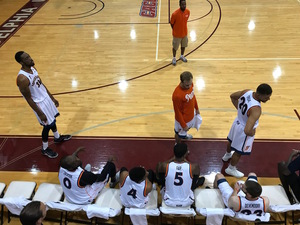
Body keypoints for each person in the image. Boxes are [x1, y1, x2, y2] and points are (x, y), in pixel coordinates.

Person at [15, 51, 71, 159]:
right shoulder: (22, 78)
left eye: (29, 56)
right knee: (47, 126)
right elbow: (28, 99)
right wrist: (40, 113)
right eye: (27, 58)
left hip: (46, 99)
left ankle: (57, 137)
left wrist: (52, 97)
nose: (30, 58)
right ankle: (44, 149)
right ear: (21, 62)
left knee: (52, 120)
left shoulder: (33, 69)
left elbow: (41, 84)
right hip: (39, 104)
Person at [222, 83, 272, 178]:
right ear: (260, 95)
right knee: (239, 151)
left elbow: (232, 96)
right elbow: (247, 130)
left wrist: (239, 110)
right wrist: (253, 132)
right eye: (267, 97)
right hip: (243, 129)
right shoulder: (256, 109)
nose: (268, 99)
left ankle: (227, 155)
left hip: (237, 122)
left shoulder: (247, 91)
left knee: (230, 141)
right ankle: (231, 169)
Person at [156, 143, 204, 207]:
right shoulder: (194, 167)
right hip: (187, 202)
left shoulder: (164, 166)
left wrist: (172, 159)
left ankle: (162, 184)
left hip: (169, 201)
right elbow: (195, 178)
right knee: (197, 179)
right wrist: (186, 161)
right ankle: (192, 188)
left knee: (163, 175)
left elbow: (159, 166)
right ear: (185, 154)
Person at [172, 71, 201, 144]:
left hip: (190, 116)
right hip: (183, 120)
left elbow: (193, 96)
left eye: (190, 84)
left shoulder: (190, 85)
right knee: (178, 134)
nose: (189, 86)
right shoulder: (177, 95)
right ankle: (177, 144)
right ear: (181, 82)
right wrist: (183, 125)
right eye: (187, 85)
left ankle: (184, 136)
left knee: (184, 132)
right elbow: (177, 112)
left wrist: (197, 108)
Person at [170, 0, 190, 66]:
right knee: (175, 47)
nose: (184, 6)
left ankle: (182, 56)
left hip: (184, 33)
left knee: (183, 46)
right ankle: (174, 58)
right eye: (182, 5)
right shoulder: (175, 14)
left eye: (185, 4)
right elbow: (172, 23)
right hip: (177, 35)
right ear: (179, 5)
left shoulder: (188, 12)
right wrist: (175, 30)